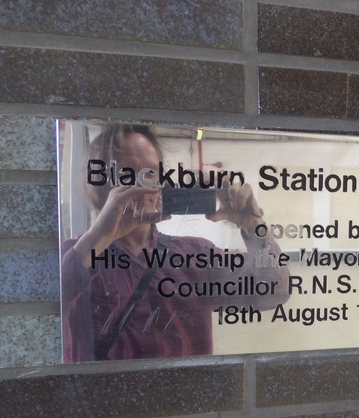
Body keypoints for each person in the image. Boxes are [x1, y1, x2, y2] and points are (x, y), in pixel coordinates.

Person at [61, 124, 289, 362]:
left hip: (184, 393)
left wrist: (255, 226)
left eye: (150, 173)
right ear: (99, 183)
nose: (142, 187)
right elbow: (46, 312)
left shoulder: (195, 253)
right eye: (126, 175)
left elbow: (270, 294)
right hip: (106, 396)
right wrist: (100, 237)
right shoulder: (78, 255)